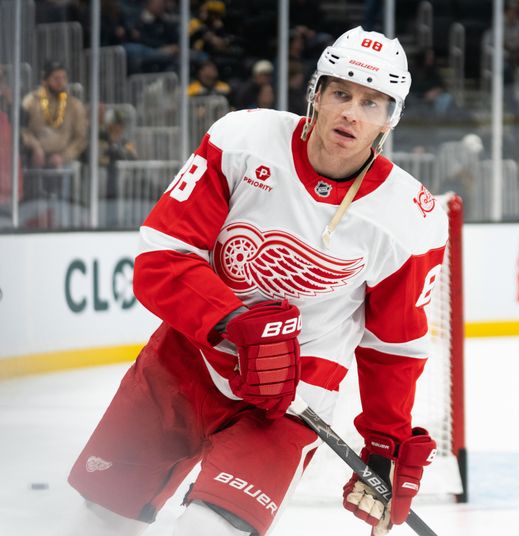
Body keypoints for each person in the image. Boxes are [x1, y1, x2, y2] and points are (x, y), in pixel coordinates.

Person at [65, 26, 444, 536]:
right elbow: (162, 259)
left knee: (207, 531)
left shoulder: (408, 218)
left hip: (289, 403)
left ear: (390, 119)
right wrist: (234, 321)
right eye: (342, 93)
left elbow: (393, 347)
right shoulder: (242, 140)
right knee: (94, 526)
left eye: (373, 103)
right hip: (184, 365)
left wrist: (385, 444)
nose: (352, 112)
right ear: (316, 93)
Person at [21, 60, 88, 170]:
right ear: (45, 81)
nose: (61, 82)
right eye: (56, 78)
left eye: (64, 78)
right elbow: (22, 130)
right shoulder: (31, 101)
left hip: (64, 164)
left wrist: (63, 157)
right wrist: (35, 147)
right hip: (34, 160)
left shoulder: (75, 105)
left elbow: (80, 138)